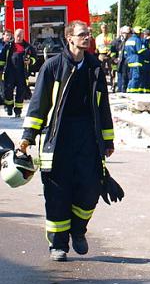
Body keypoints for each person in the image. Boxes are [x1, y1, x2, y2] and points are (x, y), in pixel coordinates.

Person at [19, 21, 115, 261]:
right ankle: (58, 245)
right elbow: (39, 104)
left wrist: (108, 140)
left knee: (91, 188)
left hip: (87, 138)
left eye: (88, 34)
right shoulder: (52, 67)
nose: (87, 37)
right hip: (57, 138)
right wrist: (27, 137)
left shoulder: (94, 66)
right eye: (82, 34)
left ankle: (78, 230)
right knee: (57, 194)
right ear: (69, 38)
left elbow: (103, 106)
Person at [4, 29, 36, 117]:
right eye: (17, 35)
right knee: (8, 90)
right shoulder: (8, 46)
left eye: (20, 36)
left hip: (22, 73)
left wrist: (30, 61)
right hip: (10, 71)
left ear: (23, 36)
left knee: (20, 92)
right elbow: (2, 58)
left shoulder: (28, 47)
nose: (19, 37)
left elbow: (34, 58)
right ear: (14, 36)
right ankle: (9, 107)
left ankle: (18, 111)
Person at [110, 26, 130, 92]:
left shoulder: (130, 40)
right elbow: (113, 52)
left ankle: (125, 89)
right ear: (121, 33)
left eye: (128, 33)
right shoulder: (116, 41)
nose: (127, 34)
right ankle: (120, 89)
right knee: (120, 76)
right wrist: (114, 59)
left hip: (128, 61)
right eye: (126, 33)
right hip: (119, 62)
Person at [140, 28, 150, 93]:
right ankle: (142, 90)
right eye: (145, 34)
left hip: (149, 62)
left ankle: (147, 90)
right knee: (142, 77)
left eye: (147, 34)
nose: (146, 36)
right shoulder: (142, 41)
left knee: (148, 78)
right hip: (143, 62)